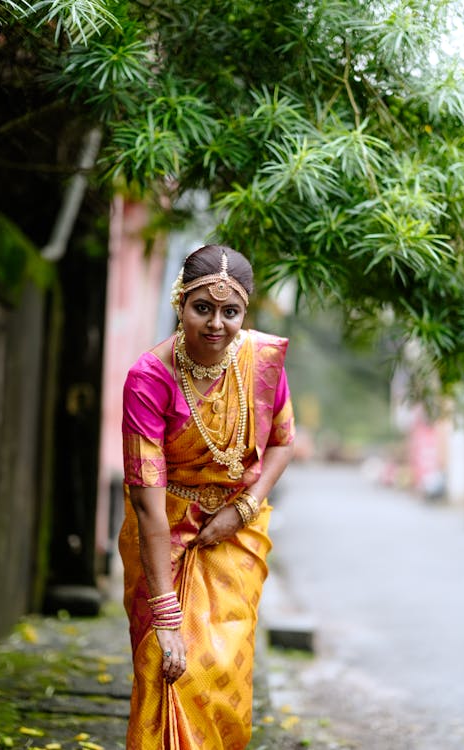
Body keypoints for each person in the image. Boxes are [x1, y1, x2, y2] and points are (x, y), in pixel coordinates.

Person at [119, 244, 295, 749]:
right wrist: (166, 617)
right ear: (180, 303)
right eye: (203, 308)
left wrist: (243, 509)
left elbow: (284, 441)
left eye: (230, 311)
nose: (216, 324)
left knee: (222, 669)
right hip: (163, 534)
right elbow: (147, 504)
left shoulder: (260, 363)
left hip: (234, 539)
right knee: (164, 663)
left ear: (244, 313)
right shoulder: (149, 379)